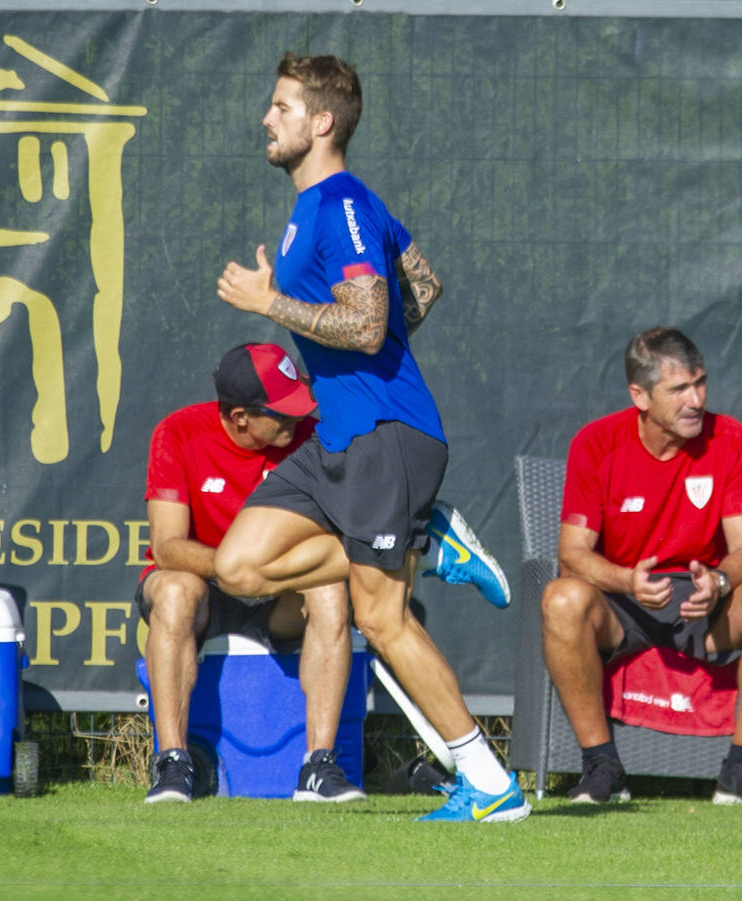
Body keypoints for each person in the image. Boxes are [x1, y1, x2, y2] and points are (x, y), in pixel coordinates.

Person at [212, 52, 528, 823]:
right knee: (239, 565)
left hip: (387, 434)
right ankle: (431, 540)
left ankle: (490, 783)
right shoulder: (321, 209)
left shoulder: (344, 202)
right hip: (341, 439)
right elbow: (425, 285)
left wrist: (272, 302)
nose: (268, 118)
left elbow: (371, 319)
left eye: (282, 107)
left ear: (322, 123)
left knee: (380, 617)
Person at [541, 327, 742, 807]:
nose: (695, 400)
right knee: (560, 598)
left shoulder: (733, 438)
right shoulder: (595, 443)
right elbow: (572, 554)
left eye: (700, 383)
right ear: (639, 395)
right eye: (679, 389)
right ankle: (601, 766)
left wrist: (720, 581)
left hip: (705, 602)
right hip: (623, 601)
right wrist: (626, 581)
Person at [139, 342, 362, 804]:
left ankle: (318, 767)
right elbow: (167, 548)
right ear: (241, 417)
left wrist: (262, 575)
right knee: (176, 590)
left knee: (328, 588)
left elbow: (341, 534)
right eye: (283, 413)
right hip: (204, 592)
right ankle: (174, 763)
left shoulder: (313, 439)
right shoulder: (178, 432)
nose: (297, 419)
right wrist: (236, 571)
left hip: (280, 596)